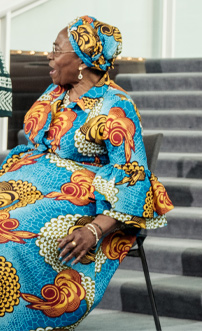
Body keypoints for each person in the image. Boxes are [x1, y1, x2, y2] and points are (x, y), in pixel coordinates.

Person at [0, 16, 173, 330]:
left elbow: (133, 179)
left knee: (9, 237)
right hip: (24, 187)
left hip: (80, 202)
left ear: (82, 60)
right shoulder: (54, 94)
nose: (49, 57)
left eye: (56, 50)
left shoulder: (116, 106)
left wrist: (95, 230)